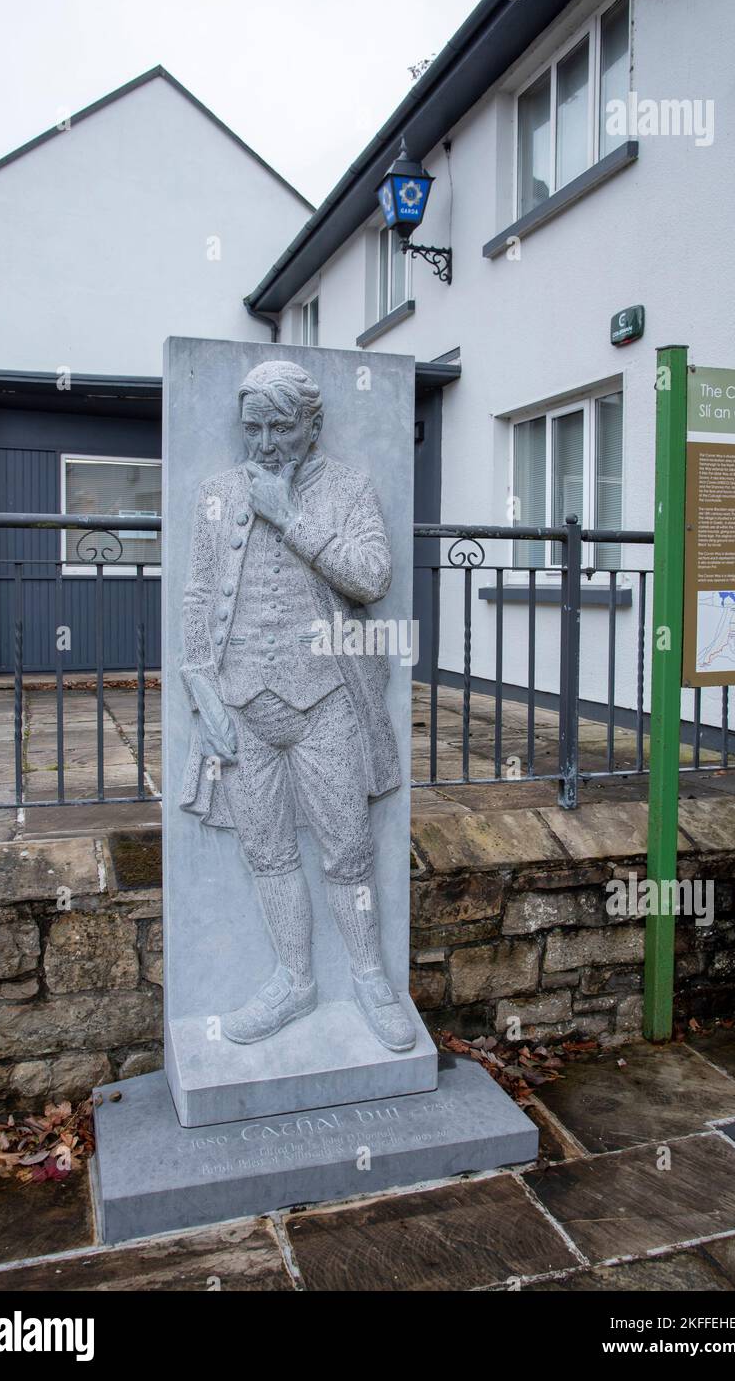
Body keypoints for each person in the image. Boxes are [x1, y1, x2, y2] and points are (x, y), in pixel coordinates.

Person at [180, 359, 415, 1053]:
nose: (263, 443)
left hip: (326, 704)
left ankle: (371, 977)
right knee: (268, 850)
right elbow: (197, 596)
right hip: (242, 708)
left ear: (312, 425)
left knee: (348, 849)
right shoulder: (218, 493)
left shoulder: (347, 490)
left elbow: (372, 578)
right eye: (252, 428)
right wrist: (201, 689)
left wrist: (291, 517)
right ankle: (293, 980)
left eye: (279, 427)